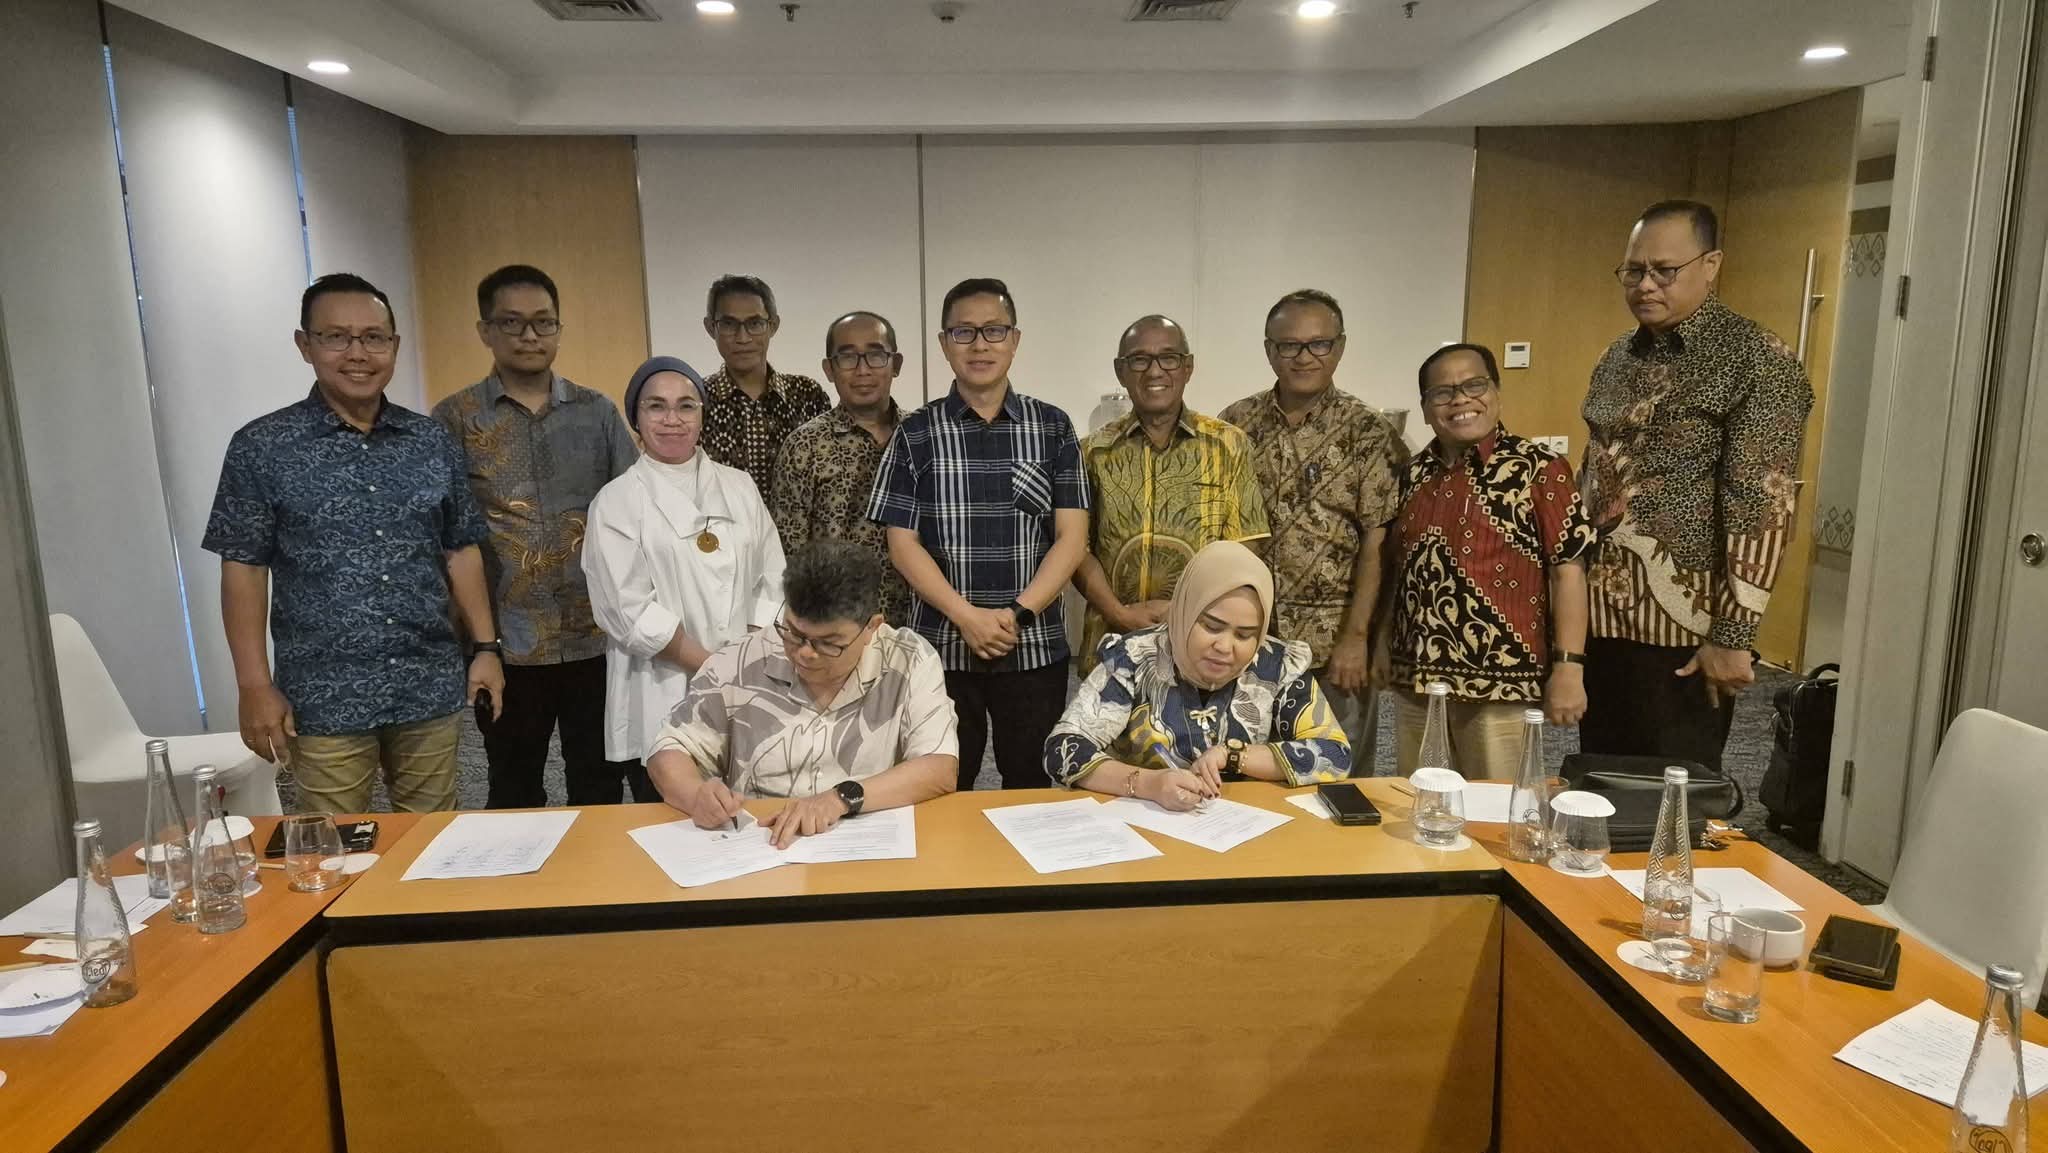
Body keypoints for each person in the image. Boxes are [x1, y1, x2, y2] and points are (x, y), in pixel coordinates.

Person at [203, 272, 501, 814]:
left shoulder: (430, 440)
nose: (358, 353)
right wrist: (253, 686)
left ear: (395, 346)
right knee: (333, 846)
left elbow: (460, 547)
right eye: (336, 337)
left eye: (373, 337)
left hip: (426, 681)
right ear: (305, 345)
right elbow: (243, 568)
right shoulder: (262, 447)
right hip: (324, 694)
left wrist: (485, 648)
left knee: (432, 838)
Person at [1579, 201, 1813, 773]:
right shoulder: (1616, 356)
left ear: (1711, 265)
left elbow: (1762, 504)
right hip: (1600, 617)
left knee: (1672, 795)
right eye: (1633, 271)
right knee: (1600, 780)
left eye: (1665, 270)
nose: (1645, 285)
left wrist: (1734, 635)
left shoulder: (1757, 360)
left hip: (1686, 631)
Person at [433, 264, 646, 807]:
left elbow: (637, 510)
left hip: (595, 636)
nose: (530, 335)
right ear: (485, 330)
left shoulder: (597, 413)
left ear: (558, 329)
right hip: (507, 643)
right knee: (513, 786)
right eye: (512, 322)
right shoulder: (455, 419)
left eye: (543, 322)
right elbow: (446, 534)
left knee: (598, 783)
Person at [868, 277, 1089, 791]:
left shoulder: (1052, 427)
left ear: (1015, 339)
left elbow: (1072, 538)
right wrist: (967, 617)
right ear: (944, 344)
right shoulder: (915, 433)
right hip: (941, 649)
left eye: (994, 330)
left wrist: (1015, 615)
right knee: (941, 784)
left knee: (1030, 786)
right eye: (963, 332)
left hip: (1033, 647)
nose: (980, 344)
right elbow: (902, 544)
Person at [1377, 343, 1598, 780]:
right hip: (1417, 683)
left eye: (1474, 385)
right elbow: (1396, 571)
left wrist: (1569, 667)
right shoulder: (1411, 475)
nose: (1460, 399)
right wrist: (1383, 644)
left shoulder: (1539, 469)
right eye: (1442, 392)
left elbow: (1568, 572)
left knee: (1496, 807)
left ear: (1496, 392)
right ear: (1425, 409)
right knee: (1419, 801)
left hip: (1502, 686)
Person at [645, 540, 958, 848]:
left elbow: (940, 767)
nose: (806, 653)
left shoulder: (908, 660)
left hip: (868, 847)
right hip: (761, 845)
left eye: (828, 643)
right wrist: (694, 794)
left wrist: (840, 799)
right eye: (794, 633)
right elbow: (669, 749)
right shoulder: (742, 660)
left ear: (872, 627)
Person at [1219, 289, 1405, 773]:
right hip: (1249, 640)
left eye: (1318, 344)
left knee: (1336, 774)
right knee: (1247, 771)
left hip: (1334, 644)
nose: (1303, 357)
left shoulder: (1369, 432)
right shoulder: (1235, 425)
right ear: (1269, 350)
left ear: (1339, 347)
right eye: (1289, 345)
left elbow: (1378, 544)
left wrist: (1357, 639)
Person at [583, 355, 786, 785]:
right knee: (670, 810)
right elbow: (628, 610)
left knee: (751, 805)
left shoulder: (739, 486)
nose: (672, 419)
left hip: (748, 678)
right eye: (656, 406)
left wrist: (744, 660)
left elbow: (771, 578)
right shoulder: (615, 502)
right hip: (662, 686)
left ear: (702, 413)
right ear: (636, 417)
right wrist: (716, 668)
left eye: (686, 405)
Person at [1046, 540, 1350, 808]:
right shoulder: (1135, 658)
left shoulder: (1276, 665)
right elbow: (1063, 749)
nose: (1225, 647)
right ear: (1184, 611)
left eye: (1245, 635)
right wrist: (1148, 784)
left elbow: (1335, 755)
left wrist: (1234, 755)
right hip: (1142, 824)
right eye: (1212, 627)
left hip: (1240, 829)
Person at [1073, 315, 1268, 673]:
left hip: (1201, 648)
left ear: (1187, 367)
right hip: (1112, 643)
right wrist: (1119, 613)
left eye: (1169, 358)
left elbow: (1245, 548)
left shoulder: (1228, 445)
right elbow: (1075, 549)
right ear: (1120, 370)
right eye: (1139, 359)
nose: (1155, 371)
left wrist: (1190, 614)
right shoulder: (1092, 452)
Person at [771, 311, 910, 626]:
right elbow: (788, 553)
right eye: (847, 358)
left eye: (876, 355)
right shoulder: (803, 446)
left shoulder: (920, 437)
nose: (862, 370)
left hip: (916, 624)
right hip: (834, 629)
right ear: (829, 369)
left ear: (896, 364)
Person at [698, 274, 830, 498]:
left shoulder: (808, 396)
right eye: (729, 324)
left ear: (773, 326)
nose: (742, 338)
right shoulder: (696, 401)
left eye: (755, 324)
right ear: (711, 328)